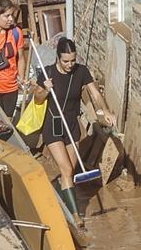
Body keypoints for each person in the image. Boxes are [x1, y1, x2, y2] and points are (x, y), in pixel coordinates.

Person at [37, 36, 117, 217]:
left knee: (70, 171)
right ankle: (75, 215)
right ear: (58, 57)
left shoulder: (81, 71)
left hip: (72, 125)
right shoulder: (47, 72)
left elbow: (95, 93)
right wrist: (45, 90)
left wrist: (105, 110)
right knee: (66, 169)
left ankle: (63, 198)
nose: (70, 64)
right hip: (53, 125)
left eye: (73, 60)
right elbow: (37, 99)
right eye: (66, 61)